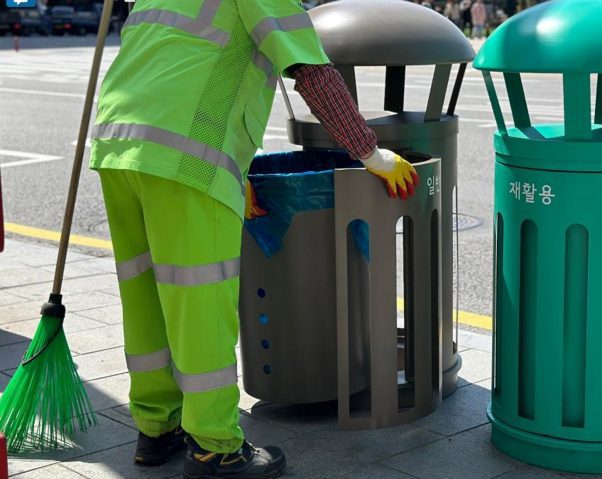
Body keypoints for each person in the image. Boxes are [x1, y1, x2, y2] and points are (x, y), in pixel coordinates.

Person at [89, 0, 418, 478]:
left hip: (119, 144)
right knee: (199, 303)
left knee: (145, 295)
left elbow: (184, 62)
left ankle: (157, 427)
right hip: (186, 156)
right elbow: (312, 73)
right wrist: (370, 152)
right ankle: (215, 448)